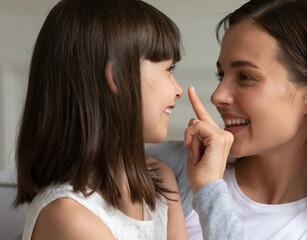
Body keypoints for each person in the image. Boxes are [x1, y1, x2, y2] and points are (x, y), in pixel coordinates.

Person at [146, 0, 307, 239]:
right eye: (221, 75)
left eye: (245, 76)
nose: (217, 95)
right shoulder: (169, 167)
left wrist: (210, 190)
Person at [13, 0, 188, 239]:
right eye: (169, 69)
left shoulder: (159, 179)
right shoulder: (68, 216)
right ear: (118, 76)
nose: (178, 89)